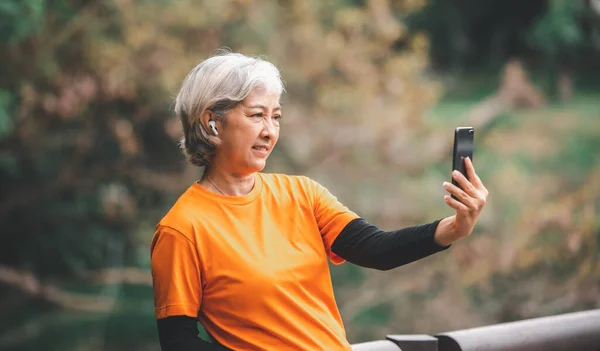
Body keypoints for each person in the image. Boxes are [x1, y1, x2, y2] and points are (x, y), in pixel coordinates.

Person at [150, 51, 489, 351]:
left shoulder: (302, 194)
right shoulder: (181, 229)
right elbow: (179, 342)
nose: (270, 131)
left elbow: (376, 249)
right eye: (256, 116)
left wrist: (454, 228)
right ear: (211, 122)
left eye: (276, 116)